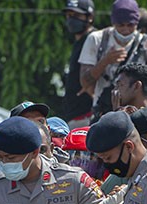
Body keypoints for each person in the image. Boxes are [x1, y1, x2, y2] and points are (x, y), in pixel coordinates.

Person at [79, 0, 147, 118]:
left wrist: (132, 91)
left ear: (137, 23)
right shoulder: (97, 40)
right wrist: (105, 61)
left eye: (130, 25)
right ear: (113, 23)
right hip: (103, 111)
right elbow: (84, 82)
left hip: (139, 113)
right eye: (121, 25)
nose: (125, 30)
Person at [62, 0, 96, 128]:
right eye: (69, 15)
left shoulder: (94, 39)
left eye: (76, 15)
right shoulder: (79, 41)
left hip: (87, 115)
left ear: (90, 17)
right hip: (74, 116)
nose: (71, 19)